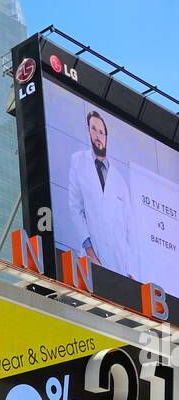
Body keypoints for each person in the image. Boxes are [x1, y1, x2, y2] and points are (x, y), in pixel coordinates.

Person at [68, 110, 136, 279]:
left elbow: (129, 230)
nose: (98, 135)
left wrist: (130, 272)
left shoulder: (119, 180)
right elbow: (75, 209)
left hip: (119, 266)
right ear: (88, 131)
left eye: (101, 132)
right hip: (92, 261)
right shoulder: (78, 161)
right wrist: (90, 253)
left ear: (106, 137)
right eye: (94, 129)